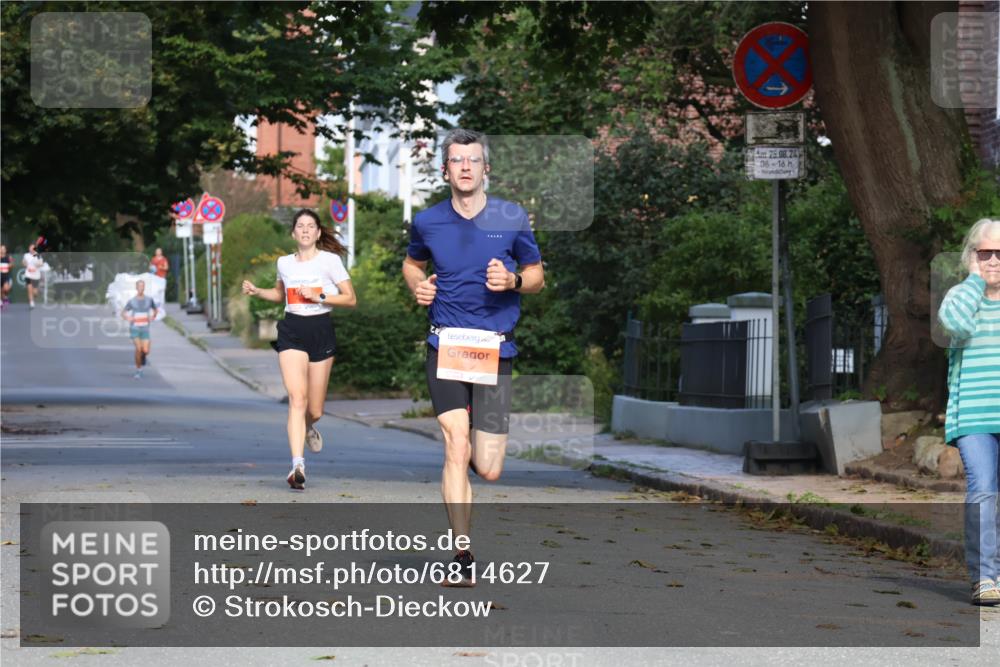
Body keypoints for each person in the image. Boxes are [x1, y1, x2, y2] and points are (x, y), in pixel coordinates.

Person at [402, 128, 544, 585]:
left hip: (494, 348)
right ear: (445, 170)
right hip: (445, 343)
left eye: (473, 160)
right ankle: (461, 555)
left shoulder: (511, 216)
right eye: (457, 160)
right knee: (455, 443)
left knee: (489, 467)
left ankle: (470, 454)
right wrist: (419, 287)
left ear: (486, 169)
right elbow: (412, 264)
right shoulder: (427, 221)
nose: (466, 167)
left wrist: (514, 282)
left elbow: (536, 274)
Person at [242, 209, 355, 490]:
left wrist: (319, 295)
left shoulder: (330, 261)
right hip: (292, 330)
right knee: (297, 398)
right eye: (300, 226)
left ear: (318, 232)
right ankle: (297, 466)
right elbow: (279, 294)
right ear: (293, 233)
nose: (305, 230)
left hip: (321, 330)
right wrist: (258, 291)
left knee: (314, 410)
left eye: (310, 226)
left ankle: (309, 426)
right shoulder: (284, 263)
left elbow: (350, 298)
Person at [938, 217, 1000, 606]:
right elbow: (956, 325)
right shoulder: (960, 296)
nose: (993, 260)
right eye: (985, 252)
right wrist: (977, 282)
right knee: (983, 490)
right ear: (972, 256)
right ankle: (985, 577)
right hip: (974, 416)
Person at [121, 279, 159, 379]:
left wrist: (153, 316)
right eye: (139, 286)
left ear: (144, 287)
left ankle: (143, 356)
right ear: (136, 288)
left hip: (145, 328)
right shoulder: (132, 301)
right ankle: (139, 370)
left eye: (142, 286)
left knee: (146, 350)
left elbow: (155, 309)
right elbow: (123, 312)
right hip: (135, 328)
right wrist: (128, 317)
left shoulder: (149, 300)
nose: (141, 288)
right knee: (138, 349)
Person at [22, 243, 44, 309]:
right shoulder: (26, 255)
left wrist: (38, 264)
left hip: (36, 276)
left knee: (35, 292)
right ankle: (31, 303)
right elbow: (23, 262)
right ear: (29, 248)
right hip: (28, 275)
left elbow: (41, 263)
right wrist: (25, 264)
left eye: (33, 248)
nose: (32, 249)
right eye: (30, 248)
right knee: (29, 289)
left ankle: (36, 294)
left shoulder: (38, 255)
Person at [0, 244, 12, 308]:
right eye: (1, 249)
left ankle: (5, 297)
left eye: (3, 249)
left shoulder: (8, 257)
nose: (2, 250)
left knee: (6, 288)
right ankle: (1, 302)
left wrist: (9, 265)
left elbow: (12, 264)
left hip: (6, 275)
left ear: (5, 250)